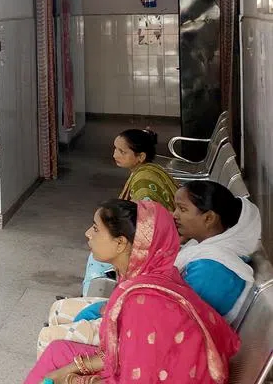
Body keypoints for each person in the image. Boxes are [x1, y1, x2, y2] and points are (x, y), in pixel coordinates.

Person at [25, 199, 239, 384]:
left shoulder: (143, 304)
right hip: (159, 371)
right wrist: (69, 369)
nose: (88, 233)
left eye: (96, 229)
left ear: (120, 244)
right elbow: (122, 354)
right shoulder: (150, 276)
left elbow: (135, 378)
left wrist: (73, 379)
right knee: (57, 353)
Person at [37, 181, 260, 353]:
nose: (174, 215)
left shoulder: (214, 271)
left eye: (182, 209)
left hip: (161, 345)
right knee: (60, 310)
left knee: (50, 338)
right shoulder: (203, 249)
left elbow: (169, 322)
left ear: (209, 218)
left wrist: (105, 313)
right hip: (147, 316)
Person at [81, 129, 178, 294]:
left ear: (140, 157)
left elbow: (144, 223)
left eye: (122, 151)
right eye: (115, 149)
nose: (114, 155)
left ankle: (91, 299)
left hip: (157, 243)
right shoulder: (151, 170)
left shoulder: (143, 181)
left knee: (97, 260)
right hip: (168, 234)